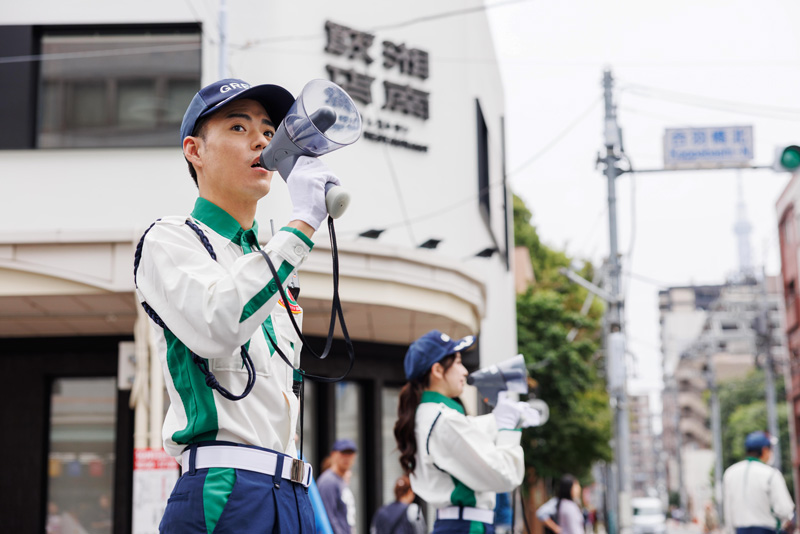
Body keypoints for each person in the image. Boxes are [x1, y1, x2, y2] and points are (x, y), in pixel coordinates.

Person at [135, 78, 341, 533]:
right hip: (224, 486)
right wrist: (303, 222)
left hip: (292, 492)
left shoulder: (269, 259)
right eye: (238, 127)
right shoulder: (170, 238)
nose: (263, 140)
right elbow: (218, 322)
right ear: (195, 150)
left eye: (269, 130)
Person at [394, 330, 533, 534]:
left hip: (456, 524)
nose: (465, 372)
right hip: (468, 526)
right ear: (438, 370)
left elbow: (470, 431)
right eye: (458, 362)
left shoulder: (427, 414)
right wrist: (508, 429)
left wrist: (501, 419)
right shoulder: (445, 420)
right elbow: (506, 476)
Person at [723, 431, 795, 534]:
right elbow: (785, 510)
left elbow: (728, 513)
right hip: (766, 530)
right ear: (765, 450)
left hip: (740, 530)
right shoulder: (771, 474)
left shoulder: (730, 473)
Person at [316, 439, 358, 534]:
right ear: (333, 454)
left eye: (350, 454)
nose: (347, 458)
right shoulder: (328, 481)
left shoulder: (340, 480)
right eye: (343, 453)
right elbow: (327, 517)